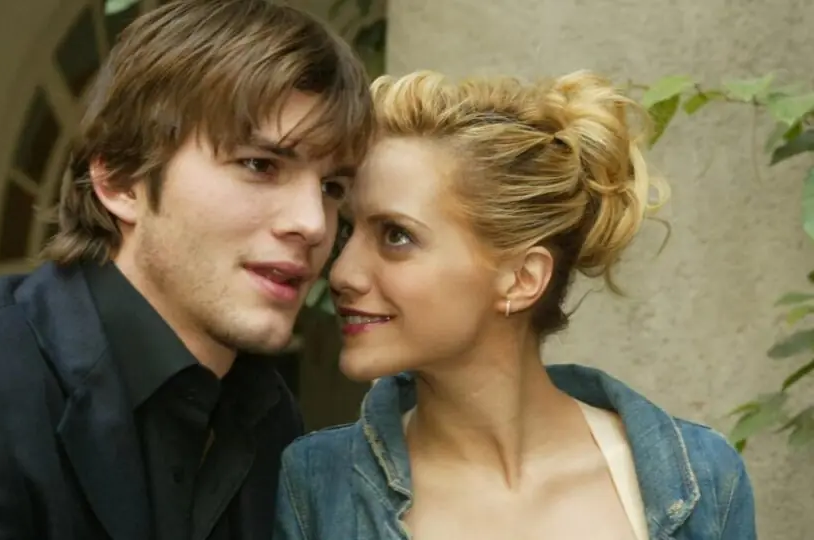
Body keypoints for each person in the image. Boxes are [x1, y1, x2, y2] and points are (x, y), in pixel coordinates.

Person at [0, 1, 372, 539]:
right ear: (121, 180)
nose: (313, 224)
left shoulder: (268, 413)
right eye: (260, 166)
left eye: (332, 188)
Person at [274, 70, 756, 540]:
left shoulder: (700, 481)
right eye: (348, 231)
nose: (342, 273)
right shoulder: (317, 485)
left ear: (522, 279)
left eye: (396, 236)